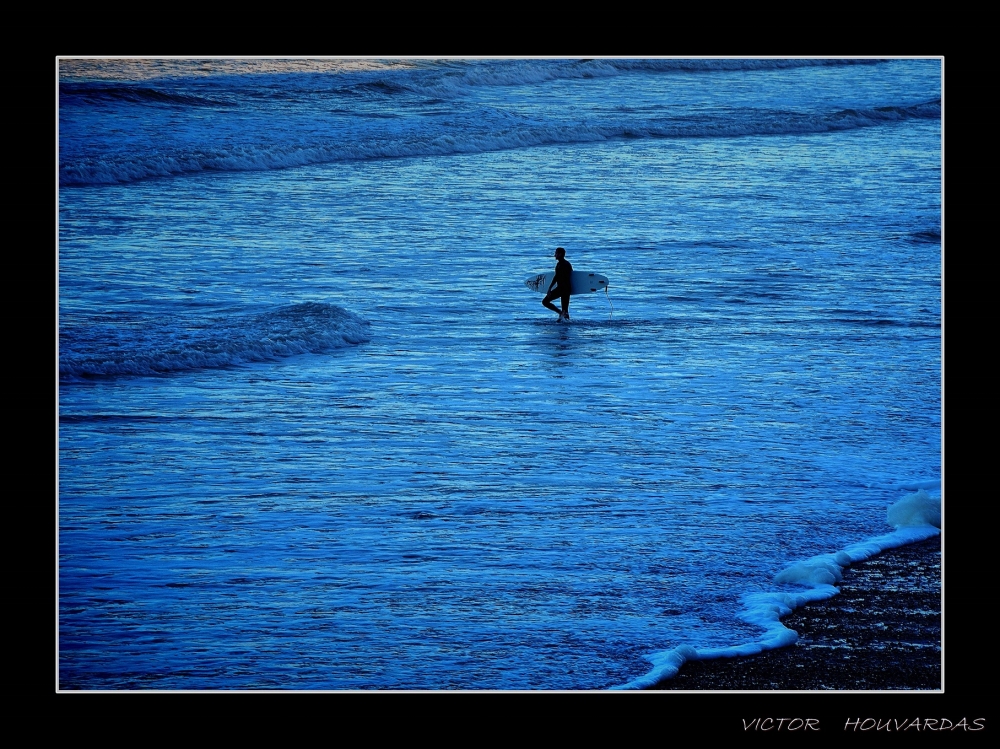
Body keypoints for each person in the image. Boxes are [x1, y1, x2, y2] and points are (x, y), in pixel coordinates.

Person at [542, 247, 573, 321]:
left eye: (556, 253)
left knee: (545, 302)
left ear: (560, 254)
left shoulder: (564, 264)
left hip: (564, 289)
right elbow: (556, 276)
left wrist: (550, 288)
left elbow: (558, 277)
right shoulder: (561, 264)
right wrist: (550, 288)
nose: (554, 255)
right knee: (564, 310)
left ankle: (562, 316)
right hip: (563, 288)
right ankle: (562, 315)